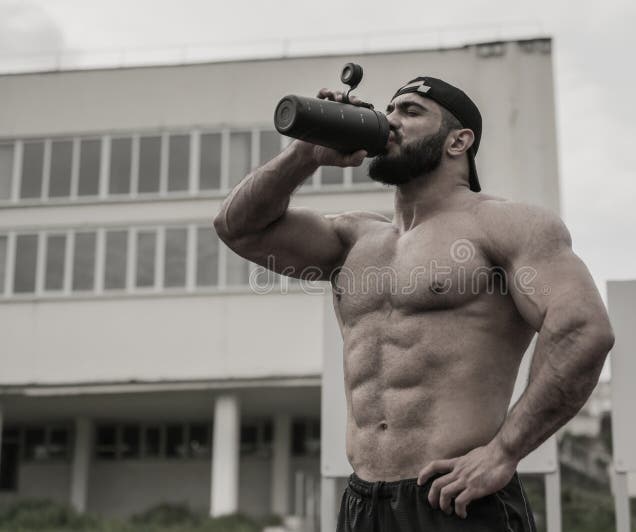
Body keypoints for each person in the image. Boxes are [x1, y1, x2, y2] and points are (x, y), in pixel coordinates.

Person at [214, 76, 615, 532]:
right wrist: (305, 154)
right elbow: (238, 228)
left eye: (410, 111)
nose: (391, 121)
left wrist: (504, 452)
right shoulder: (353, 238)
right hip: (364, 501)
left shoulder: (506, 225)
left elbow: (584, 329)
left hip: (457, 496)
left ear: (458, 140)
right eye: (389, 110)